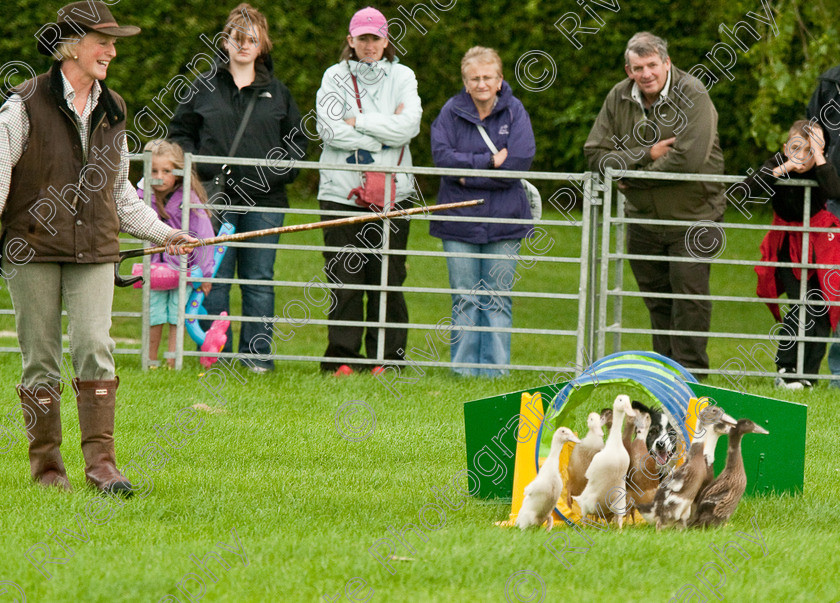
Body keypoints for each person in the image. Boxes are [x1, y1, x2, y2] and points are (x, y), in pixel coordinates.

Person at [0, 2, 195, 494]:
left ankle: (102, 468)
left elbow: (119, 191)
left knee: (95, 349)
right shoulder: (22, 105)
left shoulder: (114, 107)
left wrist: (164, 233)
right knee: (40, 359)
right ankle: (47, 471)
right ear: (71, 46)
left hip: (95, 248)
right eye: (102, 41)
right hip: (32, 249)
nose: (111, 51)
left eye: (114, 42)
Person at [169, 3, 307, 374]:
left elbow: (296, 149)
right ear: (225, 42)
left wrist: (264, 176)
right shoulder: (202, 88)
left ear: (263, 45)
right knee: (216, 278)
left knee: (259, 279)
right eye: (237, 38)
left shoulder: (279, 94)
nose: (244, 45)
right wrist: (202, 166)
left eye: (252, 39)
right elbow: (178, 137)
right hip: (214, 201)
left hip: (266, 201)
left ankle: (257, 357)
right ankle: (217, 355)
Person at [584, 32, 726, 377]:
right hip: (643, 219)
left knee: (689, 302)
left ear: (666, 63)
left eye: (651, 65)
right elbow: (594, 155)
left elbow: (688, 161)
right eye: (637, 67)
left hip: (695, 217)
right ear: (628, 69)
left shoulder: (693, 94)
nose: (646, 73)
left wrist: (632, 177)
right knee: (657, 302)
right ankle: (665, 376)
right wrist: (645, 153)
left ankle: (692, 379)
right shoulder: (618, 96)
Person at [315, 7, 422, 376]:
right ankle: (342, 357)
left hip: (394, 195)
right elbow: (328, 130)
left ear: (386, 40)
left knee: (388, 278)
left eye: (375, 38)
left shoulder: (403, 75)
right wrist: (382, 135)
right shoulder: (333, 76)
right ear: (351, 41)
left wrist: (358, 121)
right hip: (340, 193)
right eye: (362, 38)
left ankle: (387, 359)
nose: (369, 45)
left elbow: (409, 127)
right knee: (343, 277)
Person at [429, 47, 536, 377]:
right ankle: (463, 371)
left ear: (500, 79)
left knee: (498, 297)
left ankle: (494, 371)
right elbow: (442, 160)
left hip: (505, 221)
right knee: (464, 297)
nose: (481, 83)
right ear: (465, 81)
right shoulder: (450, 112)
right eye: (474, 78)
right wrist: (489, 163)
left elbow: (519, 161)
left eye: (488, 77)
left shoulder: (515, 111)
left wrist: (467, 174)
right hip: (458, 222)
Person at [751, 121, 840, 389]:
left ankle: (807, 377)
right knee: (800, 305)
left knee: (822, 311)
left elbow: (835, 191)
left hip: (818, 246)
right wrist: (786, 166)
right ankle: (787, 369)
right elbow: (750, 190)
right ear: (785, 147)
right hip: (787, 247)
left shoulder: (822, 169)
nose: (804, 156)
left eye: (811, 149)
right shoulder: (778, 163)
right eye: (796, 147)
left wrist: (819, 155)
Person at [138, 140, 216, 369]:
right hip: (154, 269)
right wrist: (143, 189)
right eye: (153, 171)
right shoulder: (142, 198)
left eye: (166, 171)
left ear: (179, 172)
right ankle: (150, 360)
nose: (159, 176)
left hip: (185, 270)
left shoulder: (190, 200)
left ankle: (172, 361)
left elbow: (204, 235)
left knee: (176, 315)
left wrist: (204, 273)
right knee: (153, 314)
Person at [807, 67, 840, 388]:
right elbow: (812, 125)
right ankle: (838, 376)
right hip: (834, 203)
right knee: (833, 293)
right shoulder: (829, 84)